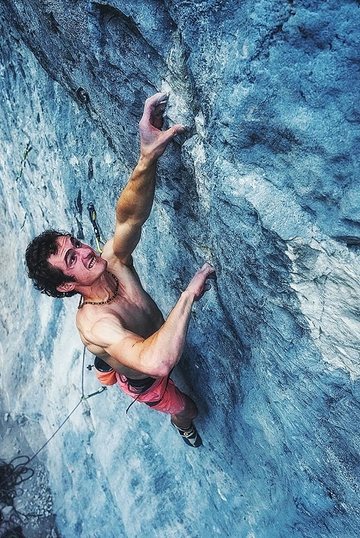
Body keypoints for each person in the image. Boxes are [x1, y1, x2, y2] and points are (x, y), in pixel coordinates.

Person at [25, 93, 216, 447]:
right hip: (144, 377)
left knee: (110, 355)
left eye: (75, 244)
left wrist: (147, 155)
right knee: (189, 407)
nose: (83, 252)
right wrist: (189, 294)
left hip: (124, 342)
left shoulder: (111, 262)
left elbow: (130, 216)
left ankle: (105, 367)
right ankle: (179, 423)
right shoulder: (96, 324)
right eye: (71, 260)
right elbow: (156, 362)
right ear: (67, 287)